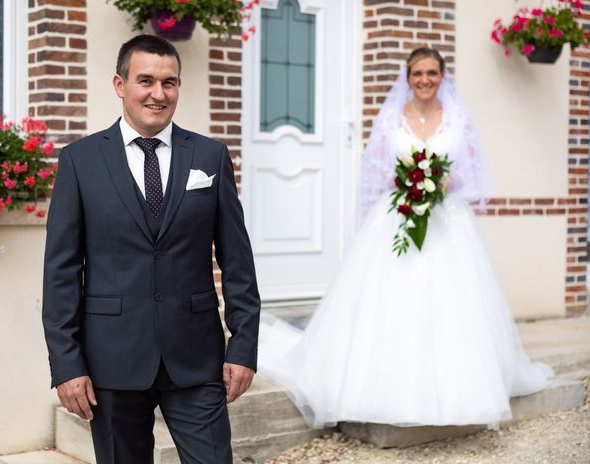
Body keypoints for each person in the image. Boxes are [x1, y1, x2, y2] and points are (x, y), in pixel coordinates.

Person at [258, 47, 553, 429]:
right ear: (408, 77)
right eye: (418, 73)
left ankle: (455, 391)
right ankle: (381, 387)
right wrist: (404, 180)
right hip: (396, 216)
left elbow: (472, 172)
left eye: (432, 73)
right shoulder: (393, 117)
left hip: (448, 220)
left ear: (442, 77)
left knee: (453, 302)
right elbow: (376, 167)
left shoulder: (458, 117)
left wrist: (446, 180)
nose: (425, 80)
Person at [42, 34, 261, 463]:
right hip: (111, 362)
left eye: (170, 82)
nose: (158, 94)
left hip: (197, 359)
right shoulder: (79, 161)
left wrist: (243, 346)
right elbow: (61, 273)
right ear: (119, 85)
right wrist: (67, 365)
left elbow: (237, 261)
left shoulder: (210, 156)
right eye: (145, 80)